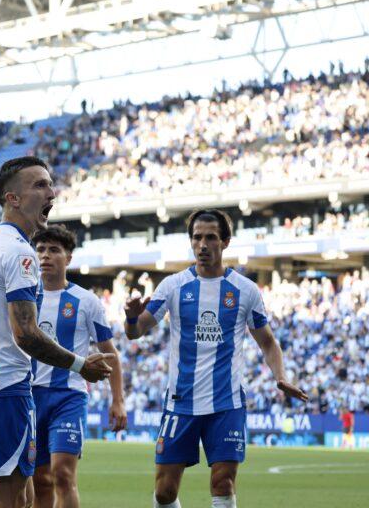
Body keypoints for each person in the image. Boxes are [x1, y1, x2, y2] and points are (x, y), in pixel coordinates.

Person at [0, 156, 113, 508]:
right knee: (12, 500)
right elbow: (27, 334)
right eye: (40, 185)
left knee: (26, 495)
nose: (52, 192)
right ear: (12, 198)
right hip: (4, 388)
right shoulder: (20, 252)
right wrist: (81, 366)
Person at [123, 208, 308, 508]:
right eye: (197, 238)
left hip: (226, 403)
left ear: (225, 242)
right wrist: (131, 319)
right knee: (164, 492)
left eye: (210, 238)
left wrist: (280, 377)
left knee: (223, 484)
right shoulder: (172, 286)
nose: (203, 245)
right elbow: (137, 331)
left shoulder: (245, 290)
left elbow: (268, 343)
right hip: (181, 402)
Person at [31, 224, 127, 508]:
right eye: (41, 250)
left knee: (62, 475)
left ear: (68, 258)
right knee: (40, 481)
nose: (46, 256)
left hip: (68, 397)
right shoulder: (22, 299)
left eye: (54, 250)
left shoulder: (86, 301)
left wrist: (118, 401)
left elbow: (111, 355)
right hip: (29, 397)